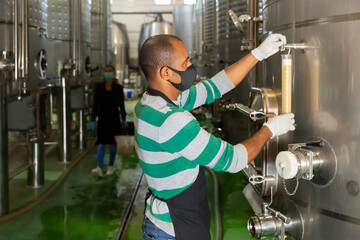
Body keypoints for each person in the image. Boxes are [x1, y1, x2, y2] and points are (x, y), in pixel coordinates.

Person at [135, 34, 295, 240]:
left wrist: (258, 54)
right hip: (173, 231)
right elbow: (234, 160)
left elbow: (215, 87)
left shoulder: (151, 103)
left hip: (163, 221)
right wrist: (270, 129)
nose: (191, 65)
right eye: (185, 62)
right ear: (166, 72)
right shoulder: (172, 122)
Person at [91, 65, 128, 178]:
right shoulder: (99, 87)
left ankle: (110, 167)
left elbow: (121, 105)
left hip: (114, 118)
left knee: (113, 144)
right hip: (102, 119)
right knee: (101, 144)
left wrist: (124, 119)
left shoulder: (118, 88)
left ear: (114, 73)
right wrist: (93, 119)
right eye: (106, 71)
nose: (108, 73)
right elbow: (95, 105)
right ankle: (99, 167)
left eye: (110, 71)